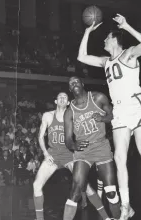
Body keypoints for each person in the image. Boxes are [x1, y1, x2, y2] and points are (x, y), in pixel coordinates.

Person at [77, 14, 140, 220]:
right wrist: (87, 32)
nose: (103, 41)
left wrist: (127, 26)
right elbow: (82, 57)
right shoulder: (106, 61)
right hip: (120, 113)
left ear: (114, 39)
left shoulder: (130, 54)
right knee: (119, 159)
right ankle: (126, 206)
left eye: (106, 38)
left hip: (137, 109)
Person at [33, 92, 112, 220]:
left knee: (87, 188)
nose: (63, 98)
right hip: (53, 155)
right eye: (60, 97)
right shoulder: (48, 116)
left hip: (70, 155)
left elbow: (90, 125)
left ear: (69, 102)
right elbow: (41, 136)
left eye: (65, 97)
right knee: (36, 185)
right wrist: (45, 154)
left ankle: (106, 217)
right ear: (55, 101)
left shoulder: (73, 116)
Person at [63, 77, 121, 220]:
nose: (74, 84)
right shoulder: (69, 111)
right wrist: (73, 145)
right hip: (83, 151)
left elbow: (112, 115)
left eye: (76, 81)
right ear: (70, 89)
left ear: (83, 84)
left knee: (111, 192)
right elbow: (68, 140)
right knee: (75, 192)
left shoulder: (98, 97)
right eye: (71, 84)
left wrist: (102, 119)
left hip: (101, 146)